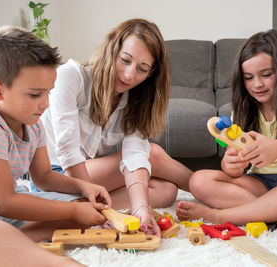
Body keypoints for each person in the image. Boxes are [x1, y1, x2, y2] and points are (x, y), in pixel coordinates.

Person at [0, 26, 112, 267]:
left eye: (48, 93)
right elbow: (2, 201)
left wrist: (83, 186)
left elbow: (44, 176)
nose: (45, 104)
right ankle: (38, 259)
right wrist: (71, 212)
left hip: (2, 212)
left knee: (84, 210)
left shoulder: (32, 124)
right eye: (35, 95)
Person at [176, 29, 277, 237]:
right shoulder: (244, 111)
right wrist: (231, 165)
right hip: (263, 185)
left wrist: (276, 149)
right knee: (199, 180)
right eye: (248, 77)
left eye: (266, 75)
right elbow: (234, 170)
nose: (257, 84)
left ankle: (223, 216)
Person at [39, 18, 192, 237]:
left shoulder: (135, 99)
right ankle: (205, 188)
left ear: (151, 73)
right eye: (126, 60)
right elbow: (68, 151)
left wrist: (141, 209)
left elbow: (135, 153)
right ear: (113, 49)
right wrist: (90, 196)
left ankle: (86, 211)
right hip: (56, 174)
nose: (130, 75)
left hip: (86, 176)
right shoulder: (71, 76)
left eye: (142, 69)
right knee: (154, 154)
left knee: (166, 191)